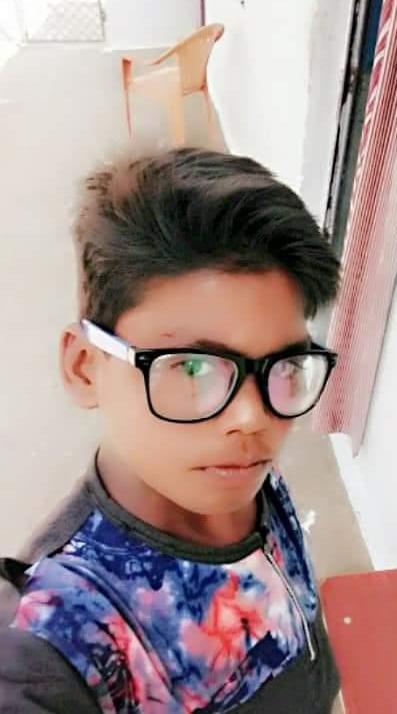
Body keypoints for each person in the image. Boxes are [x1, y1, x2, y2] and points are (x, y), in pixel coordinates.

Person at [0, 147, 342, 713]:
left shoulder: (239, 469)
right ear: (84, 366)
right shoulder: (53, 643)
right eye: (192, 368)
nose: (253, 416)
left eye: (283, 366)